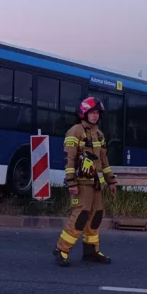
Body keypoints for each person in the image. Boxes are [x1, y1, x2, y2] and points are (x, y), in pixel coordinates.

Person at [55, 97, 117, 267]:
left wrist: (111, 181)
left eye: (97, 113)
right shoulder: (75, 131)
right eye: (92, 112)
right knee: (80, 216)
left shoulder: (99, 134)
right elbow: (69, 158)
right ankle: (62, 249)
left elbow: (104, 161)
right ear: (84, 113)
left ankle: (91, 251)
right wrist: (71, 183)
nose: (95, 116)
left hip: (97, 184)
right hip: (81, 184)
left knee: (96, 216)